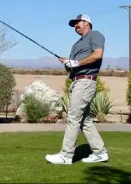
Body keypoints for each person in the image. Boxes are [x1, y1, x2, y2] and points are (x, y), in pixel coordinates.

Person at [45, 14, 108, 164]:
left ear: (87, 22)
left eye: (77, 23)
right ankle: (100, 153)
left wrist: (77, 63)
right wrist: (68, 63)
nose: (75, 26)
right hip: (76, 81)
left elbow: (98, 55)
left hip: (86, 82)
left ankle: (66, 155)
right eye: (74, 24)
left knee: (73, 118)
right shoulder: (76, 44)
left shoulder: (95, 35)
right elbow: (72, 69)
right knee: (84, 120)